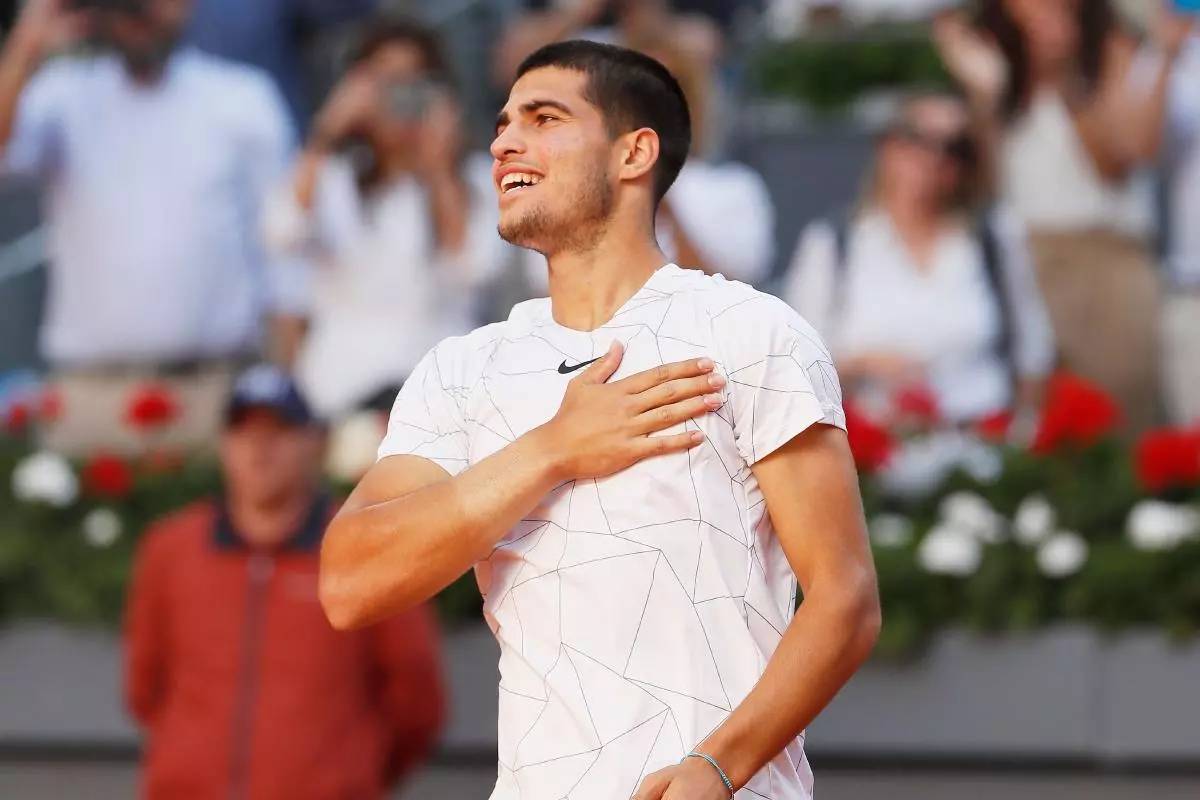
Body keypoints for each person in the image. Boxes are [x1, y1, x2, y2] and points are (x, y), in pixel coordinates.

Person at [320, 40, 880, 800]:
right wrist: (553, 449)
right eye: (502, 123)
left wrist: (719, 767)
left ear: (634, 153)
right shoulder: (463, 369)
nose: (503, 142)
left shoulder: (752, 332)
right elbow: (350, 582)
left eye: (544, 118)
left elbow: (846, 597)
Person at [0, 0, 310, 456]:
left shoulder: (242, 97)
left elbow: (286, 253)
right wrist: (26, 44)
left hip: (217, 392)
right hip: (92, 396)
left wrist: (285, 383)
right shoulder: (61, 94)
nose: (139, 11)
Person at [124, 363, 445, 799]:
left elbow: (415, 699)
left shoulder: (369, 547)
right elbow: (145, 689)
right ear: (223, 444)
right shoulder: (171, 549)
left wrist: (351, 773)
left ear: (315, 442)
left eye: (280, 431)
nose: (260, 447)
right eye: (244, 431)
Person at [933, 0, 1195, 434]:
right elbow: (985, 185)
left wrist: (1064, 75)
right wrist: (985, 100)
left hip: (1105, 262)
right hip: (1022, 264)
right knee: (1031, 431)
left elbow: (1120, 158)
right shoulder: (998, 59)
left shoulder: (1110, 44)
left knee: (1118, 425)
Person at [263, 16, 506, 421]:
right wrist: (326, 132)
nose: (400, 99)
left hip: (442, 385)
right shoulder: (333, 175)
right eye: (385, 83)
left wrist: (438, 171)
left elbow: (475, 271)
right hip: (338, 383)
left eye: (414, 83)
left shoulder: (475, 179)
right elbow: (282, 232)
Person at [782, 91, 1054, 432]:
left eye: (956, 148)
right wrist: (865, 363)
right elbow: (794, 360)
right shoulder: (835, 241)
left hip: (979, 441)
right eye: (918, 139)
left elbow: (1032, 348)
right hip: (871, 448)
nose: (934, 158)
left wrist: (1021, 438)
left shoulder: (994, 238)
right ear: (888, 146)